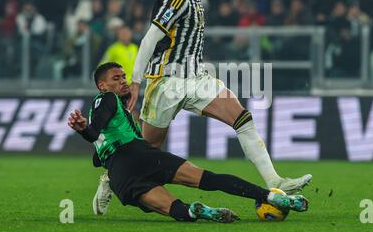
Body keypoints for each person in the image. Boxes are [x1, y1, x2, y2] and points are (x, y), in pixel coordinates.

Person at [88, 0, 312, 215]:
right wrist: (136, 81)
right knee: (146, 150)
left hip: (196, 78)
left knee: (242, 118)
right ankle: (110, 177)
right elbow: (149, 39)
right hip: (166, 83)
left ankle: (275, 182)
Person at [67, 62, 309, 222]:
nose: (123, 81)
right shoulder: (107, 99)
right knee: (208, 179)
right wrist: (85, 129)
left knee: (176, 210)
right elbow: (94, 129)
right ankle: (274, 197)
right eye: (116, 78)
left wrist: (84, 131)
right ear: (102, 85)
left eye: (124, 77)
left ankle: (199, 211)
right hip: (142, 156)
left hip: (121, 177)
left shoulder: (112, 112)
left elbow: (96, 150)